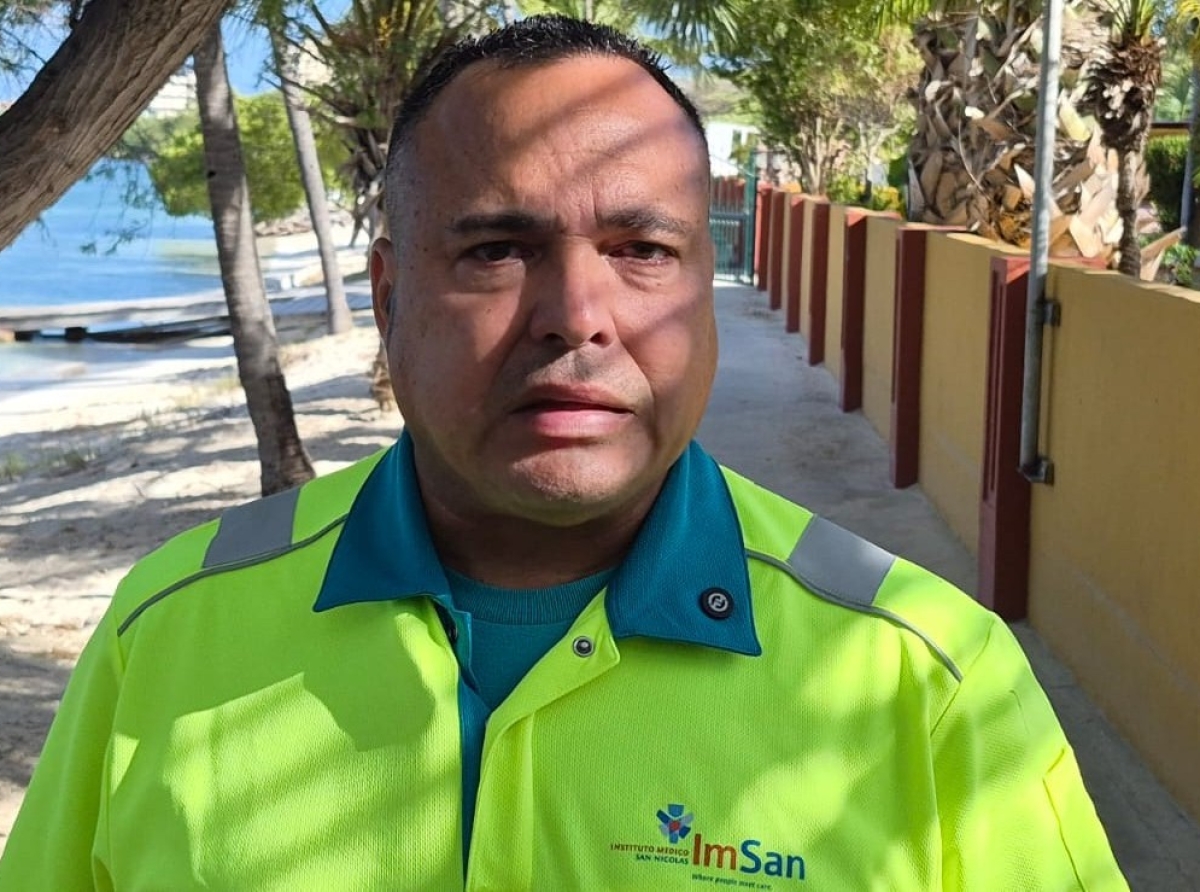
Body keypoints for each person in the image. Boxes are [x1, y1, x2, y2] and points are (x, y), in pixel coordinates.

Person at [0, 15, 1125, 891]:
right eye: (497, 250)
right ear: (389, 298)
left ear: (708, 295)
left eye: (642, 250)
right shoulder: (169, 636)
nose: (577, 317)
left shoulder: (928, 678)